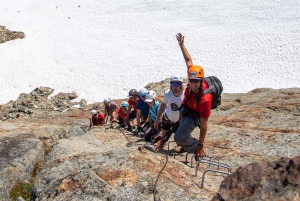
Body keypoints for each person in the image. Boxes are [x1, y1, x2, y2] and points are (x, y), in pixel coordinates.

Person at [174, 33, 213, 158]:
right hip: (187, 110)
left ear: (201, 80)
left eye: (196, 81)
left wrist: (200, 144)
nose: (193, 83)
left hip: (194, 115)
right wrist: (182, 45)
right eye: (191, 80)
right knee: (180, 132)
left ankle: (195, 147)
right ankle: (185, 144)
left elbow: (204, 123)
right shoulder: (192, 80)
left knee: (178, 137)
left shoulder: (205, 98)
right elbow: (189, 60)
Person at [153, 75, 185, 147]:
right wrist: (157, 119)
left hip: (179, 122)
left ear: (181, 85)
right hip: (167, 118)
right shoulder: (168, 93)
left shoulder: (185, 95)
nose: (175, 87)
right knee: (163, 137)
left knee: (179, 143)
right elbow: (163, 105)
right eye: (173, 84)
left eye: (177, 84)